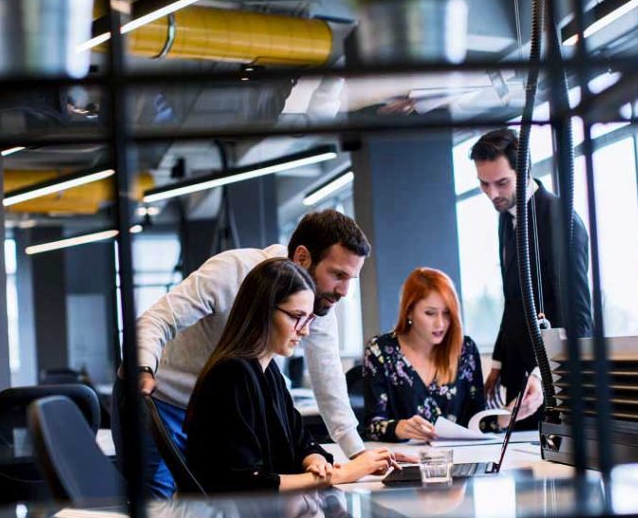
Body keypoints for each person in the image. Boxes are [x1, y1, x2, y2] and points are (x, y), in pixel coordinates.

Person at [131, 210, 377, 497]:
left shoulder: (311, 310)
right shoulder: (231, 272)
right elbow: (157, 320)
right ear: (302, 258)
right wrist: (143, 368)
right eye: (338, 275)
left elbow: (329, 382)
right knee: (163, 514)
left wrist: (358, 456)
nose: (344, 291)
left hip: (226, 413)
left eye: (351, 279)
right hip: (163, 399)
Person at [186, 258, 393, 493]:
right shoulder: (231, 375)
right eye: (296, 317)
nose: (304, 330)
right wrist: (341, 474)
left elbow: (299, 440)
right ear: (262, 311)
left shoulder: (268, 370)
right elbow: (245, 482)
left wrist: (315, 461)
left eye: (308, 319)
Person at [469, 129, 594, 427]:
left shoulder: (560, 221)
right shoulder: (506, 216)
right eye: (483, 184)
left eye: (501, 183)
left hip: (554, 382)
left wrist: (543, 374)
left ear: (524, 172)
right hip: (520, 377)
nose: (492, 194)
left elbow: (579, 321)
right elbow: (515, 299)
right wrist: (498, 362)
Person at [363, 268, 542, 441]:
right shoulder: (380, 351)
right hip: (403, 462)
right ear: (409, 311)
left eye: (447, 313)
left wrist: (508, 415)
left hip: (459, 460)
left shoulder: (465, 350)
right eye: (430, 313)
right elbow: (372, 426)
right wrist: (399, 428)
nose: (440, 323)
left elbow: (476, 422)